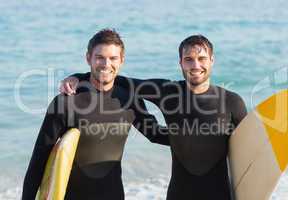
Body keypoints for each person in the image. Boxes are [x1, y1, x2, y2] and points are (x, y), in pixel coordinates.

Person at [60, 34, 248, 200]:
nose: (196, 65)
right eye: (189, 59)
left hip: (220, 195)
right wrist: (78, 77)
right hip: (179, 194)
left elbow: (249, 155)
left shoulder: (232, 102)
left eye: (202, 58)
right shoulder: (168, 92)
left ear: (212, 60)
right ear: (180, 63)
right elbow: (117, 79)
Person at [22, 29, 169, 200]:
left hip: (113, 195)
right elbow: (39, 160)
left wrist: (200, 136)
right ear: (88, 58)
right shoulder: (66, 102)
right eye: (100, 57)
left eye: (113, 58)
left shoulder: (129, 99)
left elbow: (155, 134)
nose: (106, 64)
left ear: (122, 60)